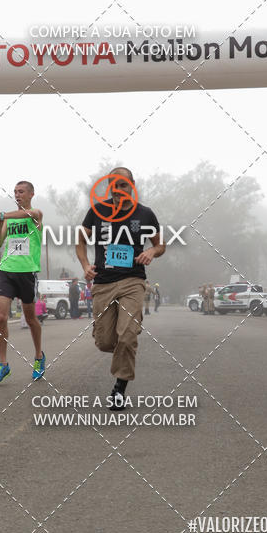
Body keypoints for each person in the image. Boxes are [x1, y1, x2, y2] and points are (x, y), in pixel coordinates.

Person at [76, 166, 165, 407]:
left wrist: (151, 251)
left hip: (133, 281)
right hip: (103, 282)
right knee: (105, 341)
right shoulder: (97, 211)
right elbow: (80, 241)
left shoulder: (145, 214)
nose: (118, 189)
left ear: (132, 185)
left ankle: (119, 388)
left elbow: (160, 245)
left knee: (126, 336)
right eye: (114, 185)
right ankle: (123, 342)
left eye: (123, 185)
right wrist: (85, 265)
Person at [0, 180, 46, 383]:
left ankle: (38, 357)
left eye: (21, 192)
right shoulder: (8, 219)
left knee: (31, 318)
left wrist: (1, 215)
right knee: (0, 317)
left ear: (31, 194)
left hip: (27, 273)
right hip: (7, 271)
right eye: (15, 192)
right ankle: (3, 364)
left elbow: (26, 214)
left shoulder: (36, 214)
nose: (17, 195)